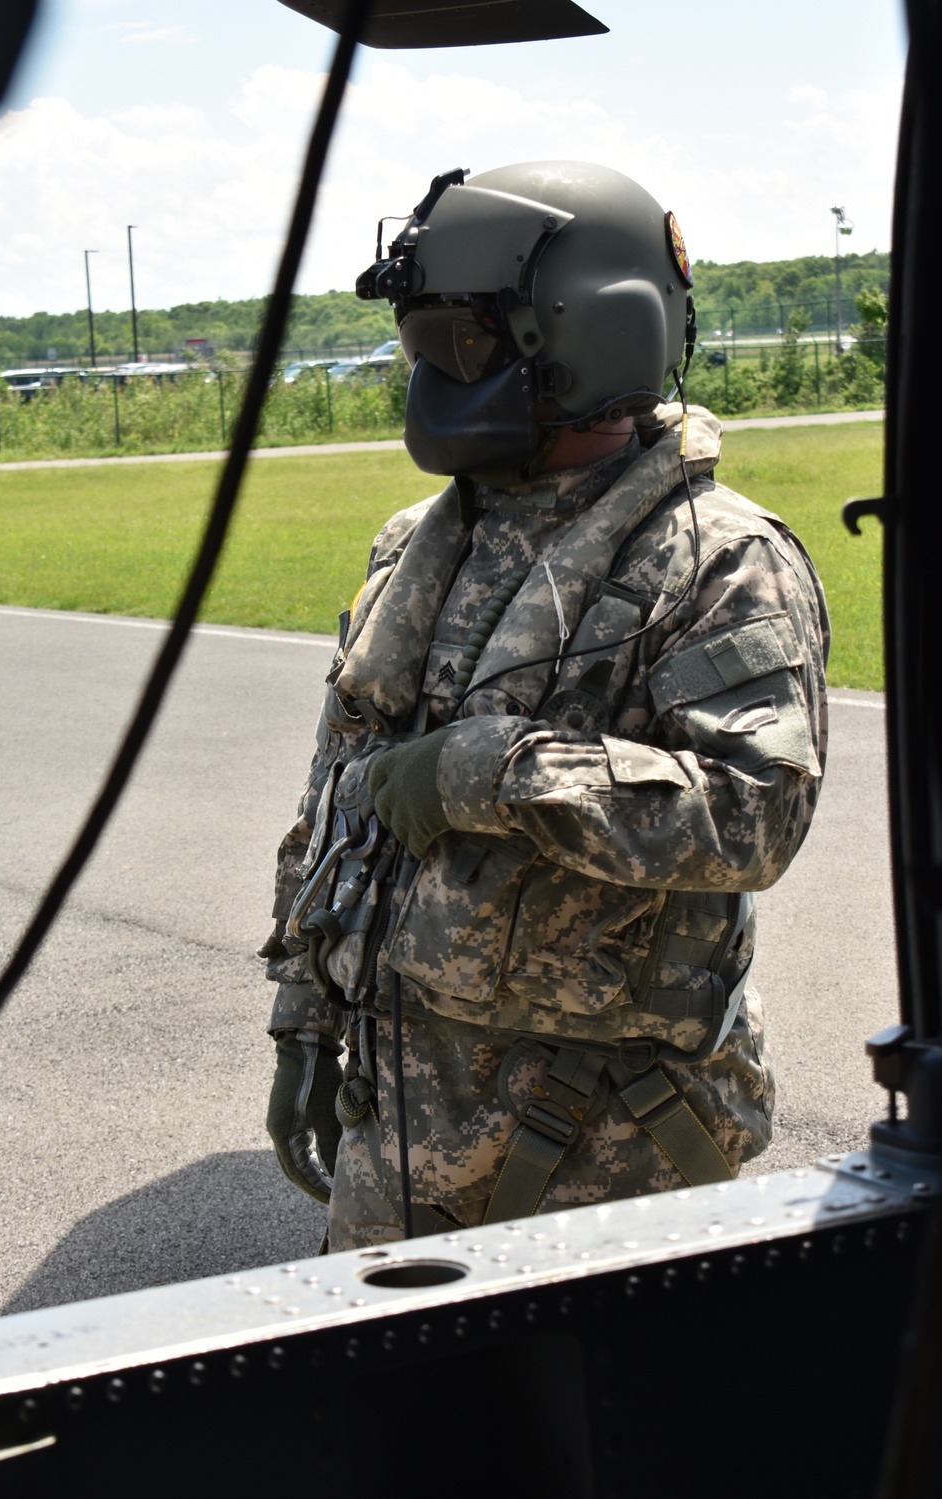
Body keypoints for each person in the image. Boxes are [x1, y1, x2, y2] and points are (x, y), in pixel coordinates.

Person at [259, 160, 829, 1251]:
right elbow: (336, 793)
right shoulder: (415, 545)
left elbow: (755, 815)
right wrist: (302, 1012)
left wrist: (494, 772)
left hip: (606, 1140)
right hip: (396, 1119)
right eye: (420, 340)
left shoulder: (718, 561)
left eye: (458, 342)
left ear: (587, 338)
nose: (427, 372)